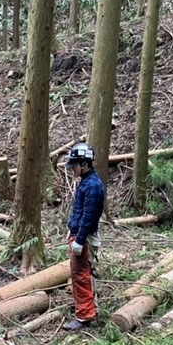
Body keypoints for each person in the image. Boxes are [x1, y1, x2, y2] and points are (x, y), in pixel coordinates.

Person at [62, 142, 105, 331]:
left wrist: (79, 239)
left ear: (85, 164)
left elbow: (89, 215)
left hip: (84, 237)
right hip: (79, 234)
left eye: (75, 166)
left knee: (80, 275)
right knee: (82, 273)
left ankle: (84, 316)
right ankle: (87, 308)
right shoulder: (87, 183)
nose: (73, 170)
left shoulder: (93, 186)